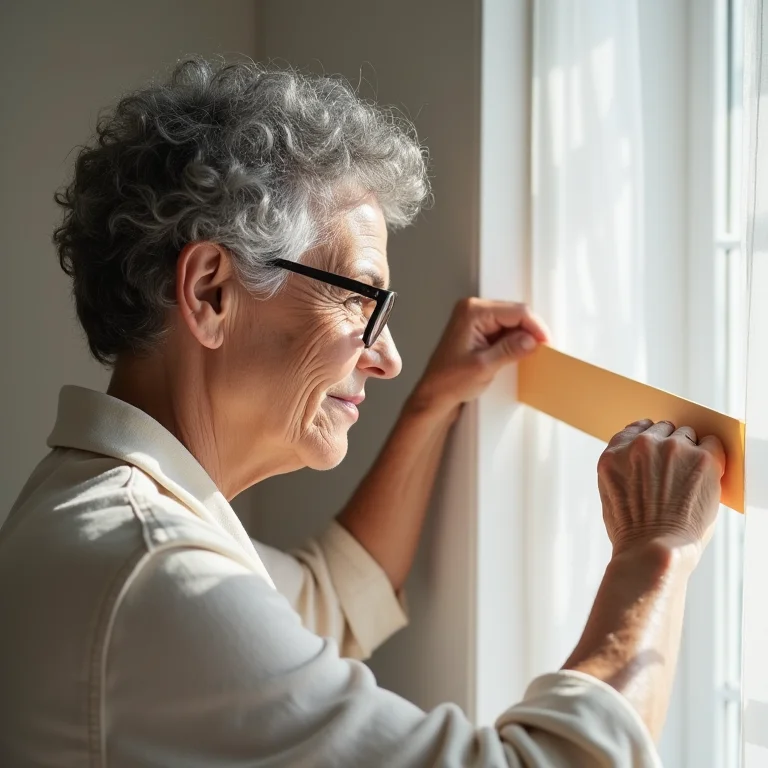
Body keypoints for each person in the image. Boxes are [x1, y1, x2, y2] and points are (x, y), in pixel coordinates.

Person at [0, 58, 726, 767]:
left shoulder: (97, 519)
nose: (388, 357)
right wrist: (654, 551)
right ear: (211, 292)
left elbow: (328, 599)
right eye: (358, 298)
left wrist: (433, 405)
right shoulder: (154, 572)